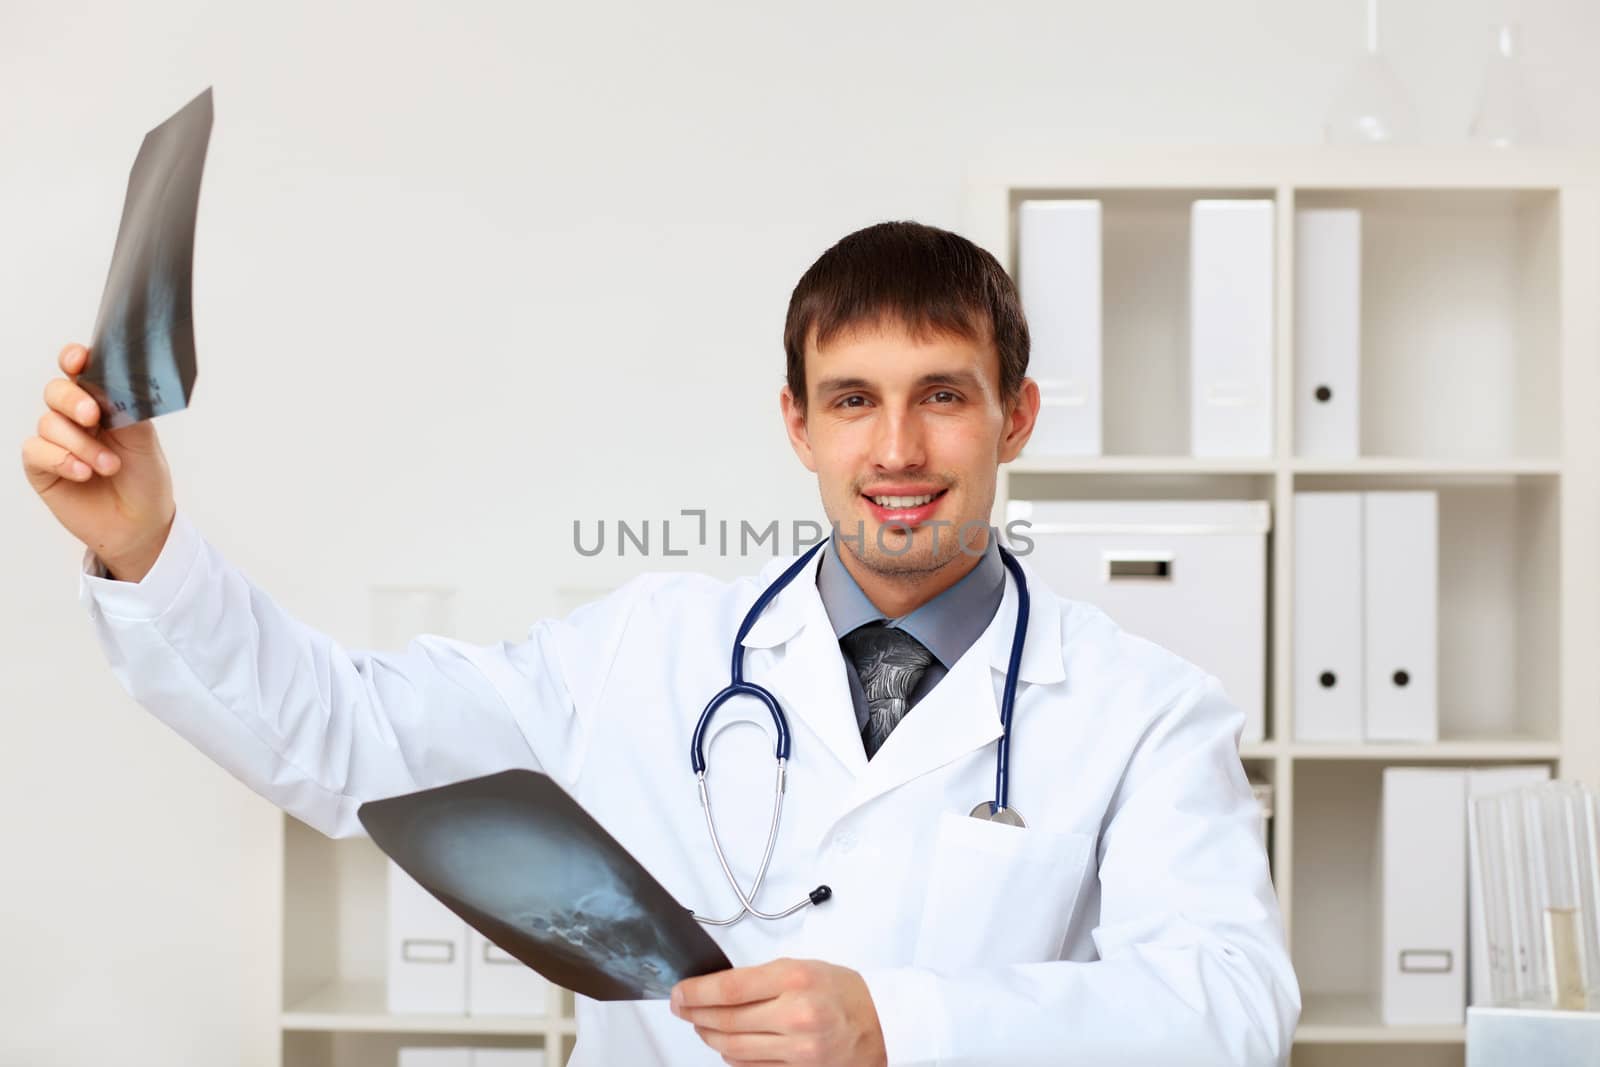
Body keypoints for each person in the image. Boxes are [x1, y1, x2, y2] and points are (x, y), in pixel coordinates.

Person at [22, 220, 1299, 1065]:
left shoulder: (1142, 708)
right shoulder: (648, 649)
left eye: (942, 397)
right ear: (797, 425)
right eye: (853, 400)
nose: (897, 450)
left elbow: (1232, 1003)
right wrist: (148, 547)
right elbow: (347, 735)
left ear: (1013, 418)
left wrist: (899, 1024)